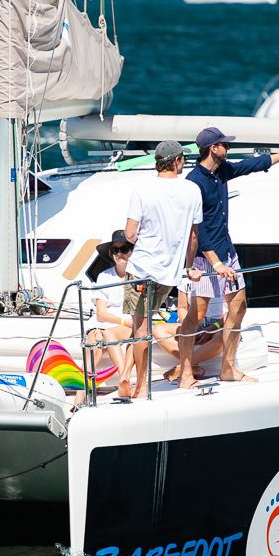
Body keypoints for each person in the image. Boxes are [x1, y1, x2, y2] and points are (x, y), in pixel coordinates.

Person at [185, 127, 279, 384]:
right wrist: (215, 263)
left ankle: (228, 368)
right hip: (207, 259)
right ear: (213, 148)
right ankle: (184, 371)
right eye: (224, 145)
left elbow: (252, 164)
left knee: (239, 307)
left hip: (228, 253)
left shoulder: (222, 171)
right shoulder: (194, 182)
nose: (228, 149)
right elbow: (198, 229)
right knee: (197, 315)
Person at [122, 141, 202, 398]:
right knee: (145, 324)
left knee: (139, 327)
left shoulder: (142, 189)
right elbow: (192, 237)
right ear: (177, 160)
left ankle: (140, 384)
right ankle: (130, 380)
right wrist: (188, 266)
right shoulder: (192, 190)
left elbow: (130, 233)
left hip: (142, 268)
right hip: (169, 272)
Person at [81, 231, 136, 387]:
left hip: (126, 323)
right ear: (111, 253)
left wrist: (127, 322)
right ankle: (79, 398)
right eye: (115, 250)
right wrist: (124, 321)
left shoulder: (139, 275)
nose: (119, 254)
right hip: (107, 322)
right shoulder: (104, 276)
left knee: (105, 337)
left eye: (124, 249)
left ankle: (124, 380)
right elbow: (101, 314)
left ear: (131, 252)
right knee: (94, 349)